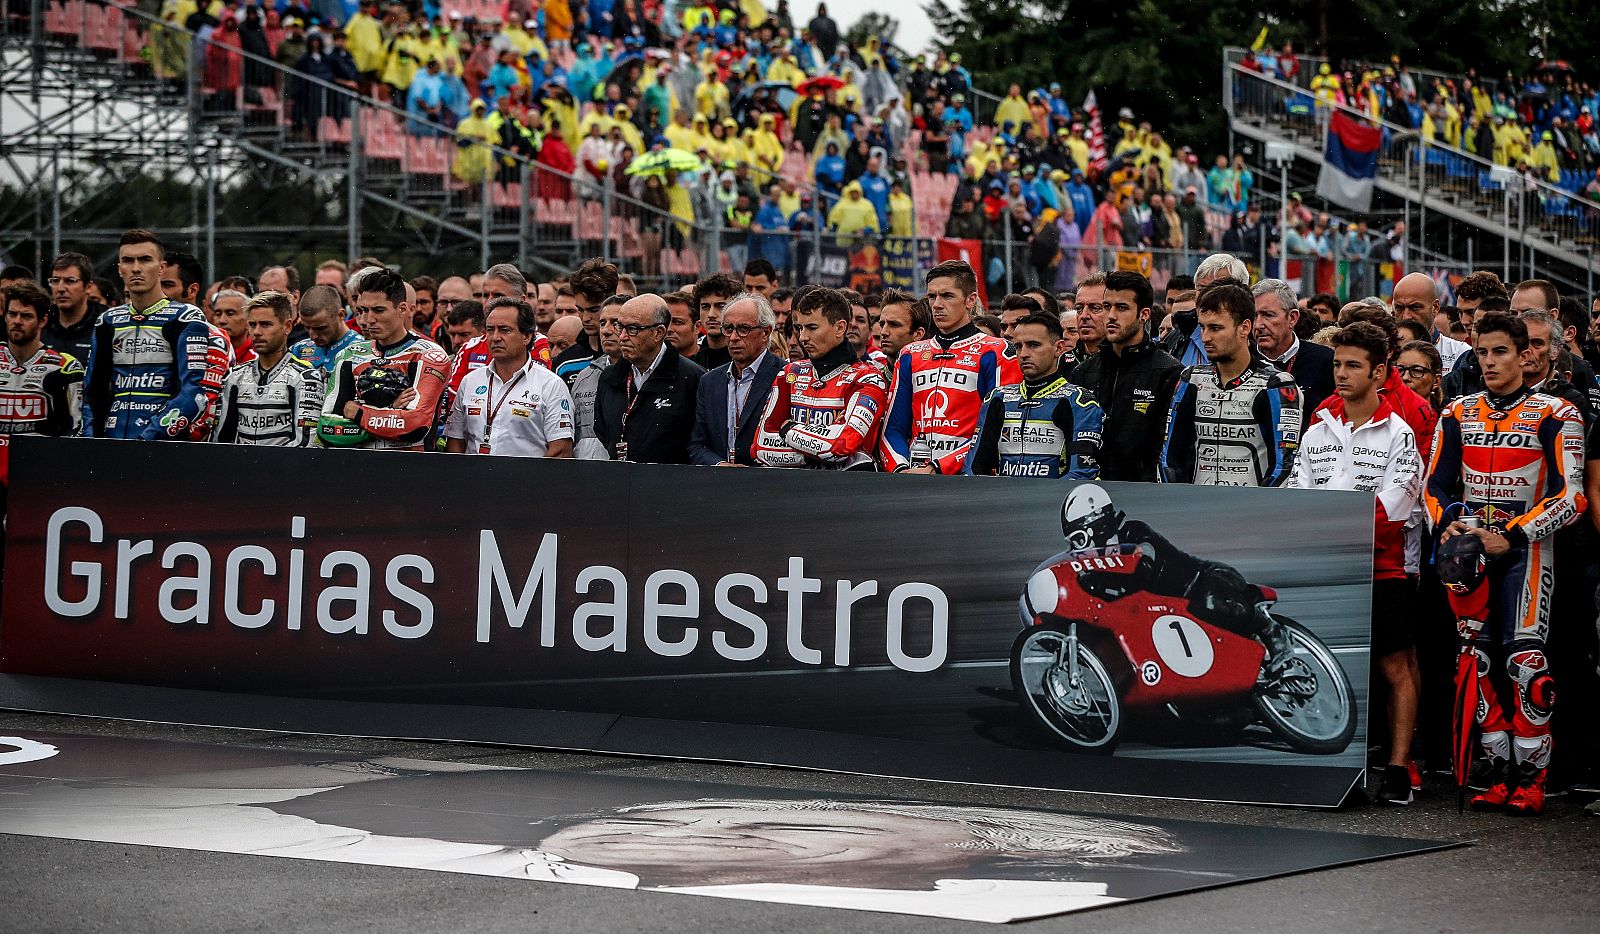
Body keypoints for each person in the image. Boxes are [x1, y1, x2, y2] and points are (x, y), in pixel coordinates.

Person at [1426, 312, 1587, 814]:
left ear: (1526, 356)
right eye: (1482, 353)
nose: (1490, 362)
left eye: (1500, 352)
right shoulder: (1456, 412)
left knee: (1526, 665)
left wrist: (1512, 534)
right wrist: (1447, 523)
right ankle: (1496, 774)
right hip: (1470, 552)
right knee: (1476, 663)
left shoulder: (1558, 413)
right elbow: (1433, 487)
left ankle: (1532, 780)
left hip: (1528, 553)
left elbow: (1573, 497)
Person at [1289, 322, 1423, 805]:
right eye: (1337, 365)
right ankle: (1330, 762)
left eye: (1352, 366)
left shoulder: (1401, 433)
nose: (1340, 375)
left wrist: (1327, 530)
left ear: (1380, 372)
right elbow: (1297, 491)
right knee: (1324, 663)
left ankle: (1397, 768)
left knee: (1394, 669)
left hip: (1382, 570)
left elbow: (1395, 509)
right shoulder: (1318, 423)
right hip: (1325, 569)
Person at [1055, 483, 1293, 665]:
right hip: (1171, 616)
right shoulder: (1097, 568)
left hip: (1203, 581)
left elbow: (1144, 564)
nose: (1077, 548)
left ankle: (1273, 632)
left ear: (1098, 525)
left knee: (1210, 603)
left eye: (1079, 539)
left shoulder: (1133, 532)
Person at [881, 261, 1021, 474]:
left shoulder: (996, 351)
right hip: (913, 478)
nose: (936, 304)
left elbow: (998, 429)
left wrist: (938, 468)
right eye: (931, 296)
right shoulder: (910, 354)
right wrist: (900, 470)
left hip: (969, 481)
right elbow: (893, 429)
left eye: (947, 296)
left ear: (970, 300)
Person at [1160, 279, 1302, 487]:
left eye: (1216, 328)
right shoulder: (1191, 379)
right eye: (1203, 327)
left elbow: (1284, 466)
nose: (1206, 337)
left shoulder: (1276, 385)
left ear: (1244, 327)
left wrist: (1254, 511)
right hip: (1197, 510)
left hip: (1251, 514)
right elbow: (1169, 458)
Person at [83, 229, 212, 441]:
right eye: (128, 261)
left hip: (161, 451)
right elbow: (92, 393)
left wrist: (149, 438)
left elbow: (193, 395)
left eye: (145, 260)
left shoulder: (186, 318)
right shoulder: (107, 321)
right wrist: (92, 441)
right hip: (111, 447)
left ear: (161, 268)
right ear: (119, 269)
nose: (135, 268)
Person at [754, 287, 889, 470]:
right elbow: (760, 448)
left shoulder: (869, 379)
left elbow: (841, 445)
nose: (803, 337)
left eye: (812, 327)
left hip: (847, 494)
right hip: (794, 492)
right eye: (800, 328)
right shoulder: (789, 374)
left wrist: (788, 430)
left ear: (840, 328)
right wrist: (818, 454)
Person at [317, 267, 451, 452]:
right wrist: (391, 410)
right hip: (358, 468)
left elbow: (415, 426)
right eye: (363, 310)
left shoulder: (429, 355)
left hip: (411, 469)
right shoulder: (349, 354)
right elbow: (327, 428)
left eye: (378, 310)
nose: (367, 319)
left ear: (402, 309)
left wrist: (358, 412)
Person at [1070, 270, 1182, 482]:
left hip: (1145, 496)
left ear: (1144, 314)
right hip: (1091, 492)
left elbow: (1170, 451)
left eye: (1121, 308)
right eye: (1106, 306)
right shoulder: (1084, 372)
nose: (1111, 316)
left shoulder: (1168, 372)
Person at [966, 313, 1101, 479]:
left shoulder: (1079, 401)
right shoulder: (997, 398)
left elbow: (1082, 472)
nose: (1023, 354)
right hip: (1006, 500)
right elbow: (973, 469)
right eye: (1018, 346)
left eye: (1033, 345)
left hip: (1052, 501)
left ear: (1058, 348)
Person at [444, 298, 574, 458]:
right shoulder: (470, 381)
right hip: (475, 480)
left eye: (504, 330)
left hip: (526, 481)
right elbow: (455, 442)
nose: (495, 337)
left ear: (526, 336)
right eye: (490, 330)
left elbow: (561, 450)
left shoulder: (551, 385)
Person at [593, 293, 704, 464]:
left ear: (658, 333)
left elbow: (698, 442)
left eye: (632, 329)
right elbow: (603, 431)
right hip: (622, 481)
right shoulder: (609, 377)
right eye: (619, 327)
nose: (622, 336)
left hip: (671, 484)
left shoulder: (693, 378)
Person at [212, 291, 324, 447]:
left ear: (287, 326)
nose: (257, 332)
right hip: (240, 468)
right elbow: (220, 439)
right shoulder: (234, 377)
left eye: (265, 324)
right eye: (252, 324)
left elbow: (306, 443)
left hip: (287, 469)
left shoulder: (305, 377)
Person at [690, 292, 783, 467]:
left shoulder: (785, 376)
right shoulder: (709, 381)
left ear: (765, 332)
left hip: (765, 485)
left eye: (743, 329)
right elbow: (697, 445)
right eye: (728, 328)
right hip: (719, 485)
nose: (733, 337)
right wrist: (720, 465)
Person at [0, 281, 83, 436]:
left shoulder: (63, 368)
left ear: (42, 320)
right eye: (12, 314)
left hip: (39, 457)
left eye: (26, 316)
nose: (17, 321)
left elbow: (76, 429)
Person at [1251, 278, 1334, 409]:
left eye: (1268, 315)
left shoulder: (1324, 360)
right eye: (1254, 316)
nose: (1258, 325)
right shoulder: (1242, 359)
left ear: (1292, 318)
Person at [570, 296, 628, 461]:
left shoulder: (645, 373)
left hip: (630, 476)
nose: (606, 330)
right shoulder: (585, 376)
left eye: (616, 323)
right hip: (587, 476)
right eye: (603, 323)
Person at [1391, 272, 1471, 371]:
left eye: (1415, 307)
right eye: (1399, 308)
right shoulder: (1382, 354)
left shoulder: (1460, 354)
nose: (1406, 316)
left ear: (1435, 307)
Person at [42, 251, 102, 365]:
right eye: (55, 281)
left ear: (88, 287)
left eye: (70, 281)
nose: (60, 288)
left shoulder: (103, 324)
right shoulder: (41, 322)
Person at [289, 284, 361, 374]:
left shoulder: (362, 351)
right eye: (307, 327)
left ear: (341, 315)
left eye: (320, 328)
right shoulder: (298, 350)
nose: (313, 336)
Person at [692, 273, 738, 369]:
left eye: (720, 307)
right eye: (705, 307)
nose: (711, 314)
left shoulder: (747, 357)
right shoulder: (691, 360)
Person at [874, 290, 930, 366]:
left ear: (918, 334)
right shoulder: (867, 375)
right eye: (882, 324)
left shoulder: (936, 376)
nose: (883, 332)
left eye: (894, 325)